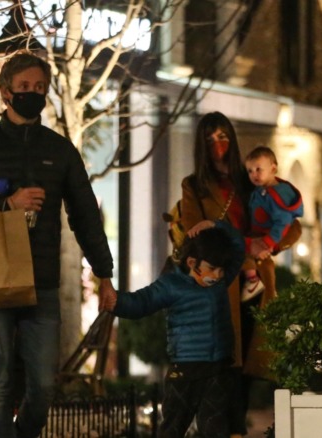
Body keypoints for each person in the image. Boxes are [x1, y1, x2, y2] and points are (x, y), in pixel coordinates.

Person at [0, 52, 115, 438]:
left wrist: (104, 273)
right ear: (6, 93)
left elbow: (85, 215)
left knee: (44, 386)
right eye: (24, 88)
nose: (33, 94)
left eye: (40, 88)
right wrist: (6, 204)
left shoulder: (60, 150)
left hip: (43, 281)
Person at [179, 112, 300, 437]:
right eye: (210, 138)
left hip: (255, 281)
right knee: (222, 368)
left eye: (223, 136)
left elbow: (291, 222)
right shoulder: (194, 185)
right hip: (219, 285)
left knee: (249, 365)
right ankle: (228, 430)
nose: (218, 144)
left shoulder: (250, 178)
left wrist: (269, 245)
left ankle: (239, 430)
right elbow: (193, 234)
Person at [100, 219, 245, 438]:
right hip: (185, 370)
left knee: (215, 428)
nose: (216, 275)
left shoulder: (220, 284)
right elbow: (143, 301)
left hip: (217, 369)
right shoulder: (171, 284)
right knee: (173, 427)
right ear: (191, 262)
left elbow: (238, 245)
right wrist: (117, 302)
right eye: (211, 269)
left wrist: (214, 224)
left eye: (221, 270)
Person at [240, 146, 304, 302]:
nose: (254, 174)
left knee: (245, 251)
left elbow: (282, 222)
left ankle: (253, 281)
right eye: (250, 171)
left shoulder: (276, 194)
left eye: (258, 169)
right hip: (257, 233)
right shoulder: (260, 190)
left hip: (266, 236)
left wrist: (267, 243)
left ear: (273, 168)